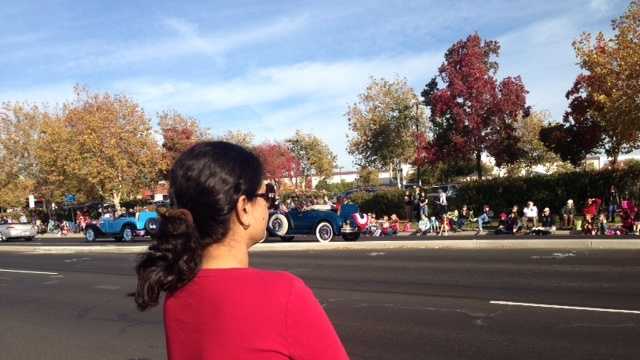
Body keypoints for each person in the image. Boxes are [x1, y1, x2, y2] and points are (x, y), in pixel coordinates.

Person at [132, 141, 349, 360]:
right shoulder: (285, 293)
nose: (270, 207)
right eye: (268, 196)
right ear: (244, 207)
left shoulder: (175, 292)